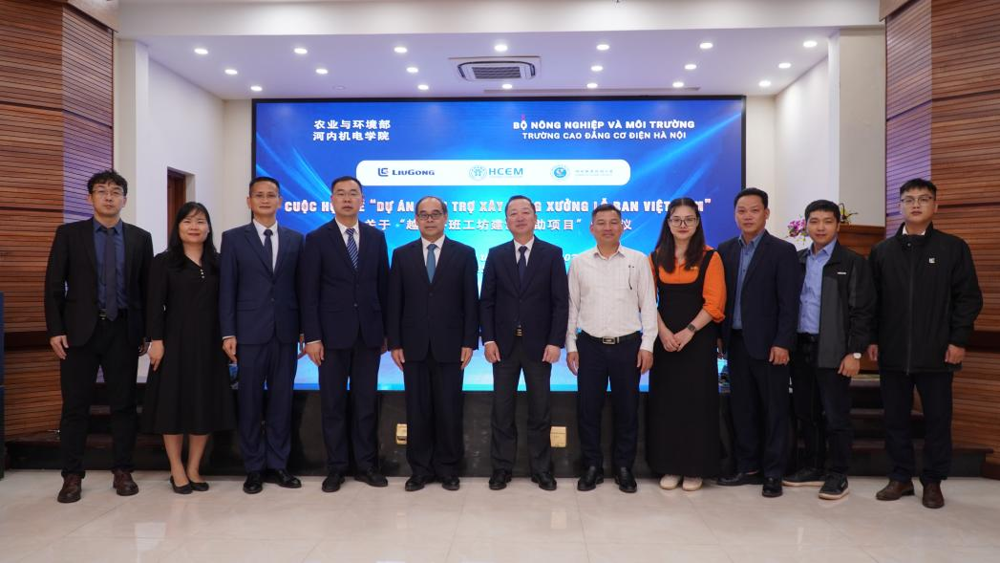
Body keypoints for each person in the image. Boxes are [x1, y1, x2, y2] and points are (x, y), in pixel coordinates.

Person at [868, 178, 982, 509]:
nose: (915, 205)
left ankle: (933, 481)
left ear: (936, 205)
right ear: (899, 206)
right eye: (909, 199)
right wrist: (872, 338)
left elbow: (968, 298)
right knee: (895, 420)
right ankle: (900, 477)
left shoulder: (953, 248)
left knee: (937, 421)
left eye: (923, 199)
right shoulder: (881, 251)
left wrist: (958, 339)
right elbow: (871, 301)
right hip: (892, 351)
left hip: (937, 352)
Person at [44, 169, 153, 503]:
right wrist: (55, 329)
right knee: (75, 407)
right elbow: (53, 285)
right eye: (102, 191)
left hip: (123, 331)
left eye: (116, 191)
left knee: (123, 405)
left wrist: (147, 332)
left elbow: (146, 290)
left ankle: (123, 470)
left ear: (124, 199)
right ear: (89, 197)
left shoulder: (139, 238)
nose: (109, 196)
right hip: (79, 333)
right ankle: (72, 475)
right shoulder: (69, 234)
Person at [300, 176, 390, 492]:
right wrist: (312, 337)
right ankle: (336, 468)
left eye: (353, 193)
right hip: (330, 337)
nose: (348, 199)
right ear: (332, 200)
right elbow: (309, 292)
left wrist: (386, 333)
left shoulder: (376, 237)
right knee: (333, 404)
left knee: (366, 404)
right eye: (341, 194)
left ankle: (366, 465)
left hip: (368, 335)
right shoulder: (316, 238)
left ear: (362, 200)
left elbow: (383, 287)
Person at [783, 200, 875, 501]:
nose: (820, 227)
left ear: (837, 225)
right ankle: (813, 467)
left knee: (836, 416)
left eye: (827, 221)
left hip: (835, 351)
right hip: (801, 347)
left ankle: (838, 474)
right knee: (806, 412)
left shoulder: (852, 262)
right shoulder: (797, 261)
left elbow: (862, 312)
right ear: (806, 225)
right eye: (814, 221)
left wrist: (855, 353)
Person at [142, 202, 236, 494]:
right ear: (178, 227)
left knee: (203, 405)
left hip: (211, 344)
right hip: (174, 343)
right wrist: (156, 341)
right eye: (188, 221)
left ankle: (194, 466)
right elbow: (154, 305)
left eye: (200, 221)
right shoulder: (164, 262)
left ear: (209, 228)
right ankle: (176, 468)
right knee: (173, 406)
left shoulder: (219, 262)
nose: (194, 227)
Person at [219, 176, 305, 494]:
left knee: (282, 401)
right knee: (250, 402)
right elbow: (227, 288)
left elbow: (301, 287)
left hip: (285, 332)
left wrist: (304, 330)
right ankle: (254, 468)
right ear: (249, 201)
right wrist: (228, 332)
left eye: (271, 195)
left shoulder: (296, 239)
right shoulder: (233, 239)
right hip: (249, 333)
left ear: (280, 201)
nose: (265, 200)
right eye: (259, 195)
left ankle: (278, 465)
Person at [387, 196, 479, 492]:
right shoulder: (401, 254)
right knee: (417, 410)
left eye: (435, 214)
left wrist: (469, 341)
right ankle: (420, 470)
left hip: (451, 346)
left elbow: (471, 300)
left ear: (445, 217)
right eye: (423, 215)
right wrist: (394, 343)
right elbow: (394, 302)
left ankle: (448, 468)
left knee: (449, 409)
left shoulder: (464, 253)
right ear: (415, 219)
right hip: (412, 346)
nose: (429, 219)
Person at [566, 203, 657, 494]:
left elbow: (649, 306)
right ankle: (592, 466)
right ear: (591, 228)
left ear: (622, 226)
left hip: (627, 346)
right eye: (601, 223)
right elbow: (572, 306)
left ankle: (624, 467)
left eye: (613, 222)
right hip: (590, 346)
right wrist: (571, 345)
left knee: (627, 409)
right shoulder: (579, 262)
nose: (608, 227)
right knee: (588, 409)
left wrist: (647, 345)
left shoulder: (638, 260)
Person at [480, 195, 568, 492]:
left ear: (535, 218)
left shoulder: (552, 253)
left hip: (539, 347)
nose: (519, 217)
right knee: (501, 411)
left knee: (540, 410)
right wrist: (488, 339)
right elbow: (486, 301)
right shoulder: (496, 254)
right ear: (506, 221)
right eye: (513, 213)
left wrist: (555, 342)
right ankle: (501, 468)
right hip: (503, 347)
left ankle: (541, 470)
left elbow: (560, 303)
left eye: (525, 212)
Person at [717, 187, 800, 498]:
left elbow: (789, 302)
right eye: (742, 210)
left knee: (774, 410)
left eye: (754, 210)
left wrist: (783, 342)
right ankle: (748, 467)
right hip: (736, 343)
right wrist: (720, 336)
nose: (747, 216)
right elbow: (722, 298)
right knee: (743, 408)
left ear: (766, 213)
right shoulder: (725, 250)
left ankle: (774, 472)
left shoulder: (782, 251)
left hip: (770, 346)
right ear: (735, 215)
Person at [646, 198, 726, 492]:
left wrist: (689, 331)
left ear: (697, 223)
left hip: (698, 339)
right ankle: (670, 465)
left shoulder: (710, 257)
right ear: (667, 223)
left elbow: (714, 303)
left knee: (697, 402)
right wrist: (664, 332)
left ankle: (695, 469)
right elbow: (646, 301)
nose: (682, 225)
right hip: (665, 340)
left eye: (689, 219)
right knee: (666, 403)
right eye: (676, 219)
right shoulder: (655, 257)